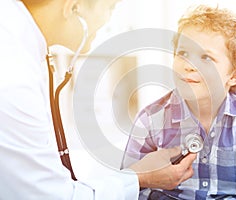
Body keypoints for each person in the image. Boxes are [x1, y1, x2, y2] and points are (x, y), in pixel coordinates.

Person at [0, 0, 197, 199]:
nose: (109, 18)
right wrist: (138, 178)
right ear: (73, 6)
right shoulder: (13, 76)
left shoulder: (17, 45)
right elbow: (51, 196)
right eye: (110, 7)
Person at [121, 4, 236, 199]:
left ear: (234, 75)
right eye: (183, 54)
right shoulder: (150, 120)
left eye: (206, 57)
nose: (189, 65)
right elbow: (129, 187)